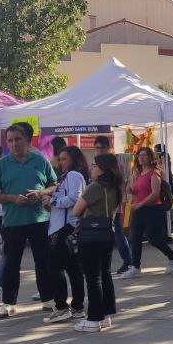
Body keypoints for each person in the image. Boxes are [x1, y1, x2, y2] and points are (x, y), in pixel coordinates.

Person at [0, 123, 59, 318]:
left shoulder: (40, 161)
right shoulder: (1, 165)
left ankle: (48, 299)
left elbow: (54, 185)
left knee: (43, 262)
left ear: (27, 141)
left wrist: (41, 192)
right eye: (10, 141)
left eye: (18, 139)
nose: (14, 144)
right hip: (12, 222)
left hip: (39, 220)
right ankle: (8, 303)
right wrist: (12, 198)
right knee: (11, 264)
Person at [72, 153, 123, 332]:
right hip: (107, 233)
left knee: (93, 278)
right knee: (105, 274)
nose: (91, 168)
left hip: (90, 235)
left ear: (103, 169)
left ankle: (93, 319)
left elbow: (76, 211)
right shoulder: (116, 187)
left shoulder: (94, 187)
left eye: (94, 165)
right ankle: (106, 314)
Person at [46, 146, 88, 323]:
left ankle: (62, 307)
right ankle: (77, 307)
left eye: (64, 159)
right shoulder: (68, 177)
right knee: (73, 268)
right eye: (60, 159)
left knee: (56, 267)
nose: (61, 162)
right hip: (64, 225)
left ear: (73, 159)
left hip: (65, 227)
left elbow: (74, 198)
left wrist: (52, 200)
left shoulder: (73, 176)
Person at [128, 147, 173, 275]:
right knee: (135, 237)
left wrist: (139, 204)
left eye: (144, 155)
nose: (141, 157)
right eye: (139, 155)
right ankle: (135, 267)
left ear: (150, 158)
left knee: (153, 238)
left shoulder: (154, 173)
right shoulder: (138, 174)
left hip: (153, 209)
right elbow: (139, 191)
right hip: (139, 210)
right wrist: (131, 191)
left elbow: (155, 194)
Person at [92, 135, 134, 274]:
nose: (99, 150)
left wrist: (118, 201)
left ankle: (128, 261)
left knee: (118, 234)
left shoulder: (115, 164)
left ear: (109, 148)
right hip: (98, 204)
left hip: (113, 204)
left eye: (102, 148)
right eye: (97, 148)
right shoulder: (95, 163)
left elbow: (121, 184)